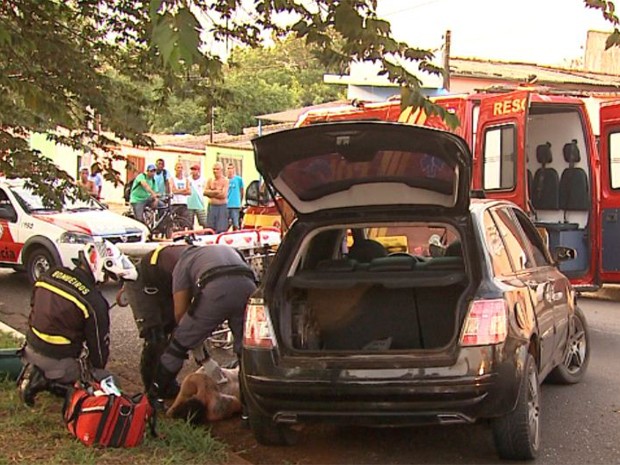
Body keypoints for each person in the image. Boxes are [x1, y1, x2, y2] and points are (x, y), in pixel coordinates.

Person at [16, 241, 138, 407]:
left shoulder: (50, 274)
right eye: (108, 275)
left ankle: (36, 376)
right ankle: (62, 391)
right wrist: (96, 375)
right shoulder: (94, 302)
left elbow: (33, 306)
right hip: (59, 365)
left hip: (29, 350)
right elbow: (99, 352)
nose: (107, 280)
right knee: (108, 380)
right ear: (99, 268)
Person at [149, 245, 257, 404]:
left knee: (178, 345)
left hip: (217, 291)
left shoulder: (182, 262)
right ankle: (249, 408)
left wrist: (193, 338)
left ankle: (155, 396)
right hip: (249, 288)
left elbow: (180, 313)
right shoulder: (225, 249)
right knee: (247, 350)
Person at [121, 243, 192, 392]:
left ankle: (167, 382)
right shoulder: (187, 269)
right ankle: (151, 389)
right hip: (142, 282)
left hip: (164, 283)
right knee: (155, 336)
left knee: (172, 333)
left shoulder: (198, 265)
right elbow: (185, 317)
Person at [204, 162, 229, 233]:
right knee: (210, 228)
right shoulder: (210, 180)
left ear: (221, 170)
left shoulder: (225, 181)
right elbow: (205, 192)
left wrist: (211, 193)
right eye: (214, 169)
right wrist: (217, 191)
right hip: (211, 207)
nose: (215, 171)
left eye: (217, 169)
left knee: (221, 229)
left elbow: (223, 195)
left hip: (221, 207)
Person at [188, 164, 207, 228]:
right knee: (189, 222)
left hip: (199, 203)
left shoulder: (203, 180)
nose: (193, 171)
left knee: (203, 221)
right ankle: (190, 235)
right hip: (189, 204)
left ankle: (206, 233)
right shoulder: (188, 179)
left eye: (195, 169)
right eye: (192, 169)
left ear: (198, 170)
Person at [226, 163, 244, 231]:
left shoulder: (239, 179)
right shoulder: (225, 180)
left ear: (234, 169)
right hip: (226, 205)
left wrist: (240, 202)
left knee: (235, 224)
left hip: (235, 205)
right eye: (228, 168)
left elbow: (242, 191)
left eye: (231, 168)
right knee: (225, 224)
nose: (230, 170)